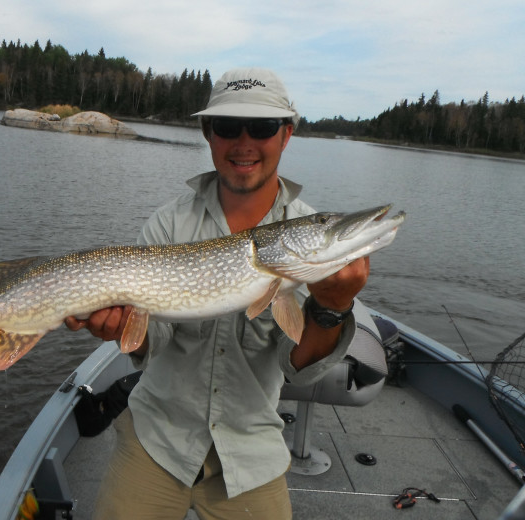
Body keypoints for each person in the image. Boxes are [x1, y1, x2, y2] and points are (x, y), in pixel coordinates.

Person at [65, 67, 372, 520]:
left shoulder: (306, 230)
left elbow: (300, 370)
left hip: (250, 454)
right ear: (208, 133)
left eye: (263, 127)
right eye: (228, 127)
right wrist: (122, 326)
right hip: (158, 441)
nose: (243, 143)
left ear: (286, 134)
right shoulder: (169, 224)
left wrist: (332, 307)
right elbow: (156, 339)